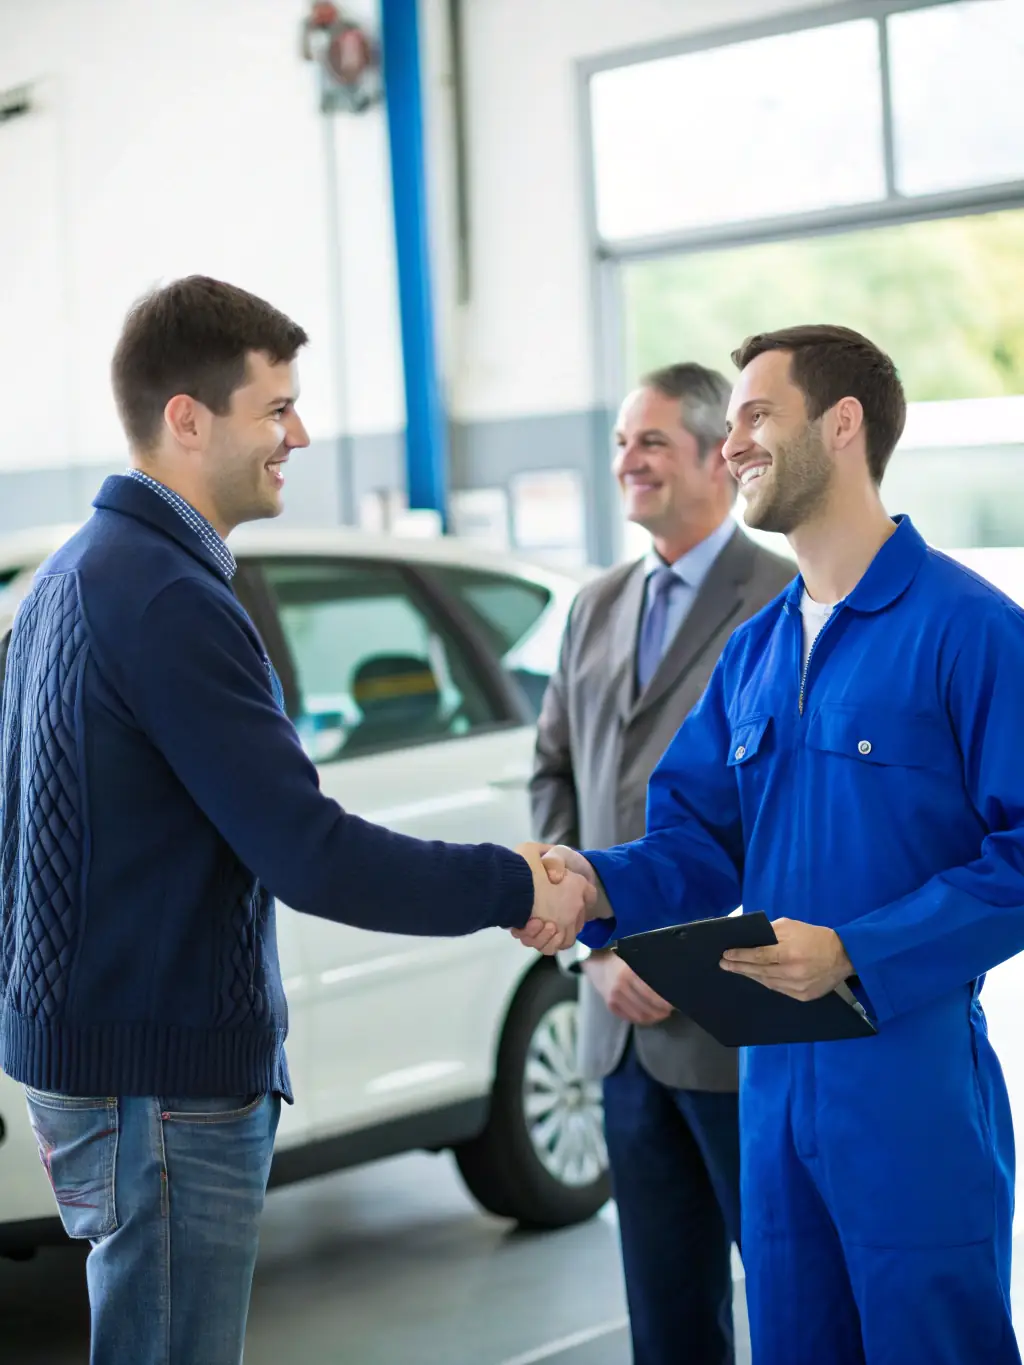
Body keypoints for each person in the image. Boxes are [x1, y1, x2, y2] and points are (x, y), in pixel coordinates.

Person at [0, 276, 594, 1365]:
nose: (301, 435)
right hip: (163, 1084)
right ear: (188, 418)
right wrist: (516, 882)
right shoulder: (168, 598)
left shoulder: (65, 579)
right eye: (276, 408)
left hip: (98, 1064)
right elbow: (308, 852)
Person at [518, 324, 1024, 1365]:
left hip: (910, 1085)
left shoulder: (969, 629)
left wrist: (855, 952)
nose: (733, 443)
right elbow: (694, 841)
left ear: (842, 426)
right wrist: (592, 884)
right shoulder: (755, 651)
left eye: (757, 415)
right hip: (771, 1086)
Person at [530, 362, 794, 1365]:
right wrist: (593, 947)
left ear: (716, 456)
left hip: (735, 1015)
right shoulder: (596, 604)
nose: (626, 462)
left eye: (650, 442)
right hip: (619, 1023)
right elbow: (554, 774)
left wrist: (679, 947)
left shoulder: (783, 596)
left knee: (790, 1293)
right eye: (619, 443)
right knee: (665, 1311)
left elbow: (784, 811)